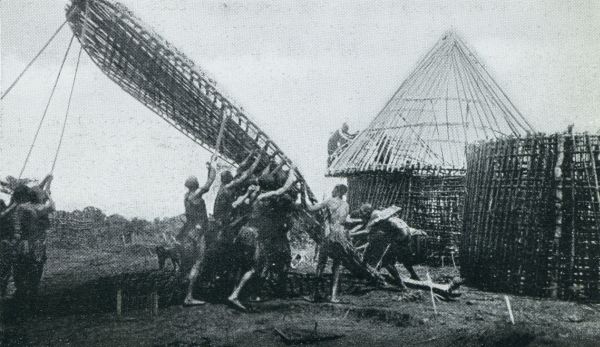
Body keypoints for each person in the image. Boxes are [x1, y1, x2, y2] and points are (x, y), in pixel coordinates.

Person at [227, 165, 297, 311]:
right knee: (254, 268)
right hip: (253, 235)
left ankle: (235, 292)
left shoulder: (253, 195)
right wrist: (292, 171)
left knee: (241, 265)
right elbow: (283, 189)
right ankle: (235, 295)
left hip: (243, 232)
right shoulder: (264, 196)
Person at [179, 158, 217, 306]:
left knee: (190, 263)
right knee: (198, 262)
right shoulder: (196, 195)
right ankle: (189, 296)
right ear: (196, 185)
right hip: (197, 232)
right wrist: (212, 167)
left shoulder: (186, 196)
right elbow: (210, 182)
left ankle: (188, 292)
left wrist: (208, 168)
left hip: (189, 231)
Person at [12, 180, 55, 306]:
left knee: (20, 268)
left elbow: (38, 193)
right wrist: (48, 195)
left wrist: (47, 181)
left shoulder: (22, 207)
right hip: (36, 244)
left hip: (23, 243)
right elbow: (51, 206)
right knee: (36, 268)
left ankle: (21, 293)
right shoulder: (40, 208)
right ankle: (31, 294)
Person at [305, 184, 350, 303]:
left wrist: (303, 196)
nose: (332, 191)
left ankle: (314, 295)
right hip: (341, 237)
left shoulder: (330, 201)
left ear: (338, 191)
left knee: (321, 264)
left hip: (329, 236)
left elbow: (311, 209)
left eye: (334, 189)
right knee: (336, 267)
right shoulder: (346, 205)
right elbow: (345, 221)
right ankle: (333, 297)